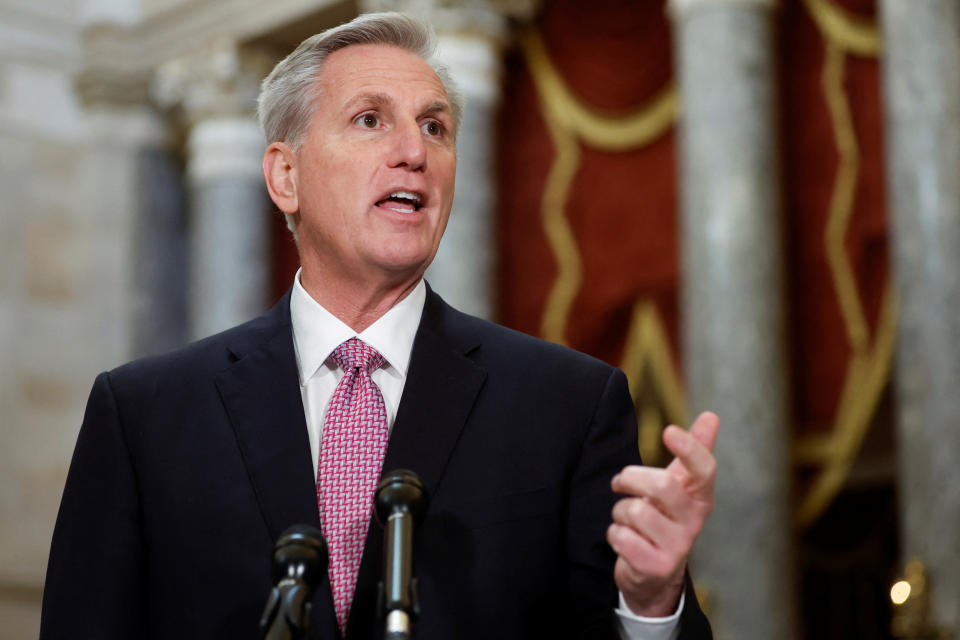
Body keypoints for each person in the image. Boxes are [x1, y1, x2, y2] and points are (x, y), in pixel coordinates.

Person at [40, 12, 717, 640]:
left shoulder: (567, 405)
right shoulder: (145, 416)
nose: (414, 153)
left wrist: (650, 602)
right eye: (370, 120)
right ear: (285, 176)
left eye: (435, 127)